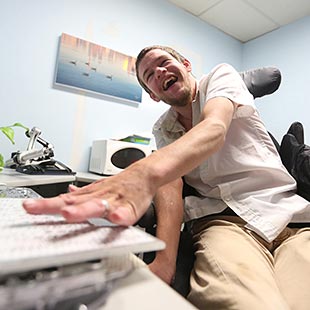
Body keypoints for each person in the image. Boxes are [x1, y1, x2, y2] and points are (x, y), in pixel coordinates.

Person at [23, 45, 310, 310]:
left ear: (185, 65)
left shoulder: (221, 78)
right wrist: (164, 261)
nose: (159, 72)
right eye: (150, 75)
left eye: (164, 63)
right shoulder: (163, 128)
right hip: (225, 224)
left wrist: (142, 173)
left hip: (289, 218)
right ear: (153, 94)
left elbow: (214, 128)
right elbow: (171, 184)